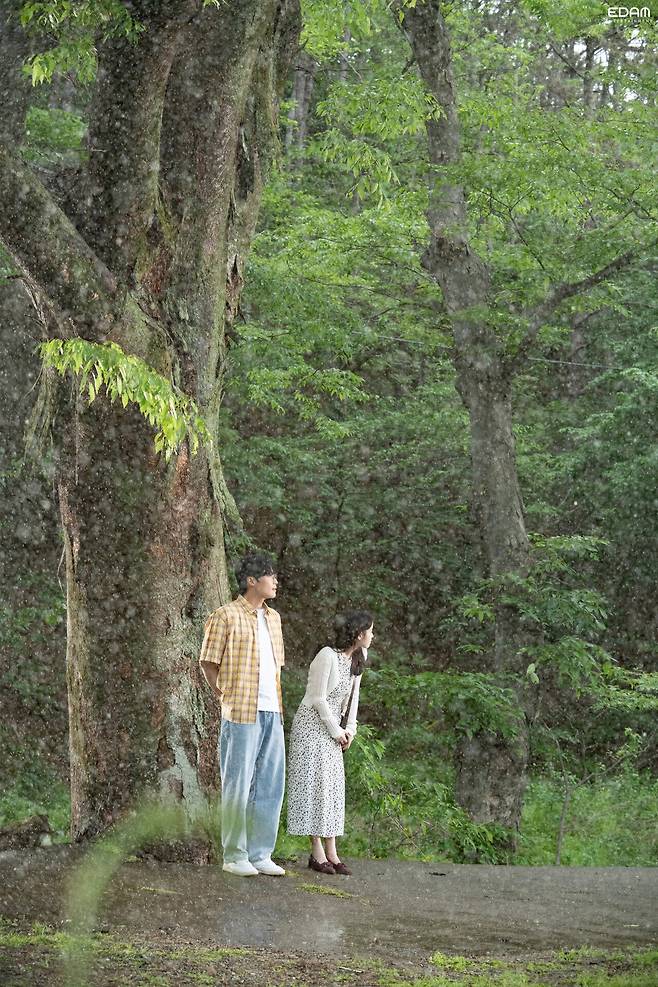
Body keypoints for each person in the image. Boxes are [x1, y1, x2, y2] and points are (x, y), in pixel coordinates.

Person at [199, 552, 286, 877]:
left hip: (272, 710)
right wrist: (225, 695)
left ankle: (260, 853)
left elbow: (274, 668)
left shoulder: (274, 619)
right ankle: (234, 855)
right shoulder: (224, 616)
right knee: (238, 784)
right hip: (241, 711)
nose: (275, 581)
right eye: (269, 575)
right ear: (252, 580)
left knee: (270, 783)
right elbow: (208, 662)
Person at [286, 610, 373, 875]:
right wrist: (336, 731)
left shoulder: (360, 658)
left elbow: (353, 700)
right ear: (359, 634)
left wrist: (350, 732)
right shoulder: (327, 656)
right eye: (370, 631)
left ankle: (333, 852)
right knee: (314, 786)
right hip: (312, 727)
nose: (373, 636)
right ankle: (316, 852)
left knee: (332, 788)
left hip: (333, 728)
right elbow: (317, 698)